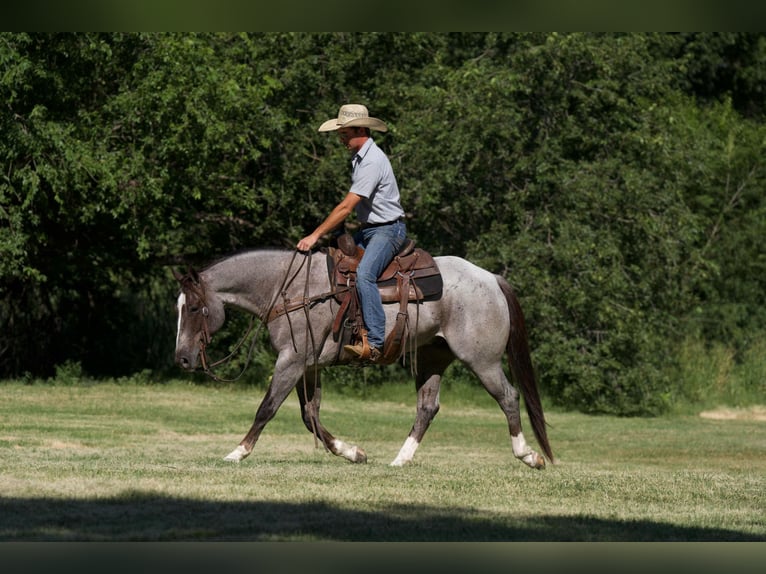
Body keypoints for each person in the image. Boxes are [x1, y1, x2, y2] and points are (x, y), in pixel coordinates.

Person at [297, 104, 406, 362]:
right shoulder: (360, 158)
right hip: (370, 231)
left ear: (360, 129)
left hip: (388, 231)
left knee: (365, 274)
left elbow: (346, 206)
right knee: (333, 263)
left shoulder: (371, 161)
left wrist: (314, 236)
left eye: (344, 132)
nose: (341, 137)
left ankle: (375, 342)